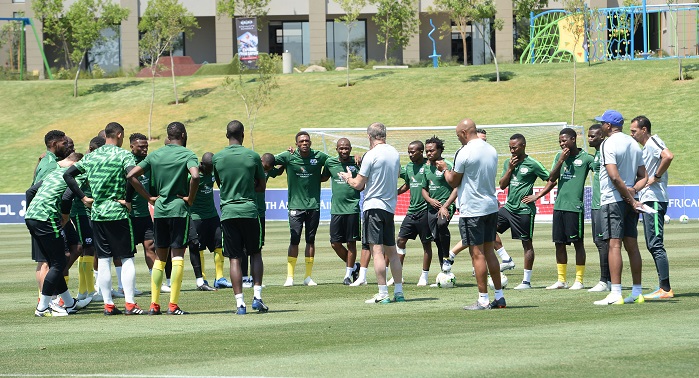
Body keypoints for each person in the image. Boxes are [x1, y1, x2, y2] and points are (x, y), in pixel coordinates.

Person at [65, 122, 148, 316]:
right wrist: (128, 200)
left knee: (103, 260)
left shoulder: (92, 156)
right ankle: (130, 304)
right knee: (126, 257)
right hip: (117, 211)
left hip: (97, 213)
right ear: (119, 135)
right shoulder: (124, 155)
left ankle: (108, 305)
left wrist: (84, 197)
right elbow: (131, 176)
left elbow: (68, 174)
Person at [126, 122, 199, 315]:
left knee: (160, 258)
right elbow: (196, 176)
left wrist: (148, 197)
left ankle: (154, 304)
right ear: (183, 134)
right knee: (177, 257)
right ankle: (173, 305)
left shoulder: (155, 155)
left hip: (159, 211)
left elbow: (131, 175)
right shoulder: (187, 154)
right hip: (178, 210)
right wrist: (190, 199)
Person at [437, 118, 505, 310]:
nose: (459, 139)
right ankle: (499, 296)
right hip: (490, 206)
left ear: (464, 133)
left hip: (472, 209)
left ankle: (483, 299)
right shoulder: (491, 149)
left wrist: (444, 170)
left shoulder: (464, 151)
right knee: (489, 251)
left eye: (459, 135)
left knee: (477, 254)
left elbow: (453, 181)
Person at [340, 122, 403, 304]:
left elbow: (358, 185)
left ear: (369, 137)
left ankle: (383, 293)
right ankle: (398, 292)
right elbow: (396, 174)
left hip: (373, 206)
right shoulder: (394, 153)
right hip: (389, 207)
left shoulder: (371, 155)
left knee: (376, 251)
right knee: (392, 251)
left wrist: (348, 178)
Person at [526, 128, 594, 290]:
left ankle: (579, 280)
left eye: (564, 140)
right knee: (559, 244)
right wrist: (560, 161)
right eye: (560, 141)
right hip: (559, 207)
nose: (562, 143)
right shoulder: (559, 157)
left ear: (573, 139)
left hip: (574, 208)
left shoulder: (586, 159)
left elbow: (599, 171)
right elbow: (551, 178)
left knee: (578, 244)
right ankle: (561, 280)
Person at [213, 120, 268, 314]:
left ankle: (239, 304)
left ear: (226, 135)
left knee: (234, 258)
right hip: (249, 210)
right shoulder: (253, 156)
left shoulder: (217, 158)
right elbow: (261, 186)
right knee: (255, 253)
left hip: (228, 212)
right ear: (243, 134)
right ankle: (258, 297)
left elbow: (220, 184)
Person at [593, 110, 647, 305]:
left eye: (602, 123)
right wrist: (632, 192)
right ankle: (637, 291)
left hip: (613, 200)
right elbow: (644, 177)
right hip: (629, 200)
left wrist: (628, 197)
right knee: (632, 246)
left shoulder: (608, 143)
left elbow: (614, 177)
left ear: (608, 126)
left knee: (614, 245)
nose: (600, 126)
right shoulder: (634, 143)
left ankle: (616, 293)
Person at [26, 152, 88, 316]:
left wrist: (31, 212)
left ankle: (69, 303)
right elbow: (68, 197)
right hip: (47, 217)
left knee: (56, 262)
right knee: (60, 262)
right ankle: (43, 307)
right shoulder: (78, 174)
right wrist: (66, 216)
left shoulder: (55, 173)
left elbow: (30, 191)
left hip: (32, 216)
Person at [273, 131, 329, 286]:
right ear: (296, 144)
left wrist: (324, 175)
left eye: (307, 141)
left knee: (310, 240)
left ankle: (308, 277)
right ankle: (290, 277)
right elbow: (268, 159)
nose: (305, 143)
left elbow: (334, 163)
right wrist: (280, 162)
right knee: (294, 240)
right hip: (295, 206)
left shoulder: (318, 156)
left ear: (310, 143)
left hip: (313, 206)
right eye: (302, 141)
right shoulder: (288, 156)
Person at [495, 134, 550, 290]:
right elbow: (503, 185)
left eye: (515, 147)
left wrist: (538, 195)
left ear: (523, 146)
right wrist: (510, 169)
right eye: (510, 148)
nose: (512, 150)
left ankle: (526, 281)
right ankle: (506, 259)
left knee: (527, 244)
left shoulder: (532, 164)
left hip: (524, 210)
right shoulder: (508, 163)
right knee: (488, 230)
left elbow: (551, 178)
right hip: (509, 207)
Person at [629, 115, 674, 299]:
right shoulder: (646, 147)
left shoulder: (654, 141)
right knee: (651, 243)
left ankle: (666, 288)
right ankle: (663, 287)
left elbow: (668, 156)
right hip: (648, 199)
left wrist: (655, 176)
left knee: (655, 243)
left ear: (644, 129)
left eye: (634, 131)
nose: (632, 134)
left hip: (655, 199)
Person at [31, 130, 72, 301]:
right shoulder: (49, 165)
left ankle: (52, 300)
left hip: (42, 216)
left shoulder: (49, 161)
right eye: (63, 143)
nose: (66, 145)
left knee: (50, 260)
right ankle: (46, 301)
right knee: (47, 262)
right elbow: (35, 190)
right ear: (54, 144)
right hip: (44, 217)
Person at [391, 141, 434, 286]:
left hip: (425, 211)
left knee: (426, 244)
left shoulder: (429, 166)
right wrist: (395, 193)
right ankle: (398, 276)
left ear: (421, 151)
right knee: (400, 241)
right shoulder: (408, 167)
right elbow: (408, 184)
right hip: (411, 211)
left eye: (413, 152)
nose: (410, 154)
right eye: (408, 152)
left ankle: (424, 276)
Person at [321, 138, 362, 285]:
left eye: (346, 148)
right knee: (335, 243)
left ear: (351, 148)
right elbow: (323, 177)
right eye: (341, 148)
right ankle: (355, 266)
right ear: (337, 149)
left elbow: (363, 183)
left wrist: (360, 158)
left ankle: (347, 274)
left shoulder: (358, 163)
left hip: (353, 208)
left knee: (351, 243)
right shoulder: (330, 163)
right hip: (336, 209)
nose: (344, 151)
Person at [72, 136, 104, 301]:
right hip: (81, 212)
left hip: (88, 213)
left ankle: (85, 290)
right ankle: (87, 291)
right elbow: (72, 183)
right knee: (87, 248)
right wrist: (84, 198)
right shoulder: (85, 164)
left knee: (88, 249)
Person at [421, 136, 457, 282]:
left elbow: (456, 188)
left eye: (432, 150)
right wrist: (430, 200)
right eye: (427, 151)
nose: (429, 153)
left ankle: (448, 258)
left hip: (447, 206)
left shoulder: (447, 165)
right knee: (436, 239)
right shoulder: (425, 168)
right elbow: (424, 189)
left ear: (440, 150)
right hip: (431, 208)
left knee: (442, 224)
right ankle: (444, 270)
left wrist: (445, 206)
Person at [188, 152, 221, 291]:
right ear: (202, 165)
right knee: (197, 247)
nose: (211, 170)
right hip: (196, 217)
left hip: (212, 215)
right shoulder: (193, 176)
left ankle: (220, 278)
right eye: (209, 167)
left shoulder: (213, 172)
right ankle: (202, 279)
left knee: (219, 244)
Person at [586, 124, 611, 292]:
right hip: (595, 203)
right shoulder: (596, 153)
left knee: (604, 242)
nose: (589, 139)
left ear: (602, 136)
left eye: (593, 136)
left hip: (604, 203)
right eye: (589, 136)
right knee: (598, 241)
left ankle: (606, 280)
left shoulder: (606, 151)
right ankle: (607, 280)